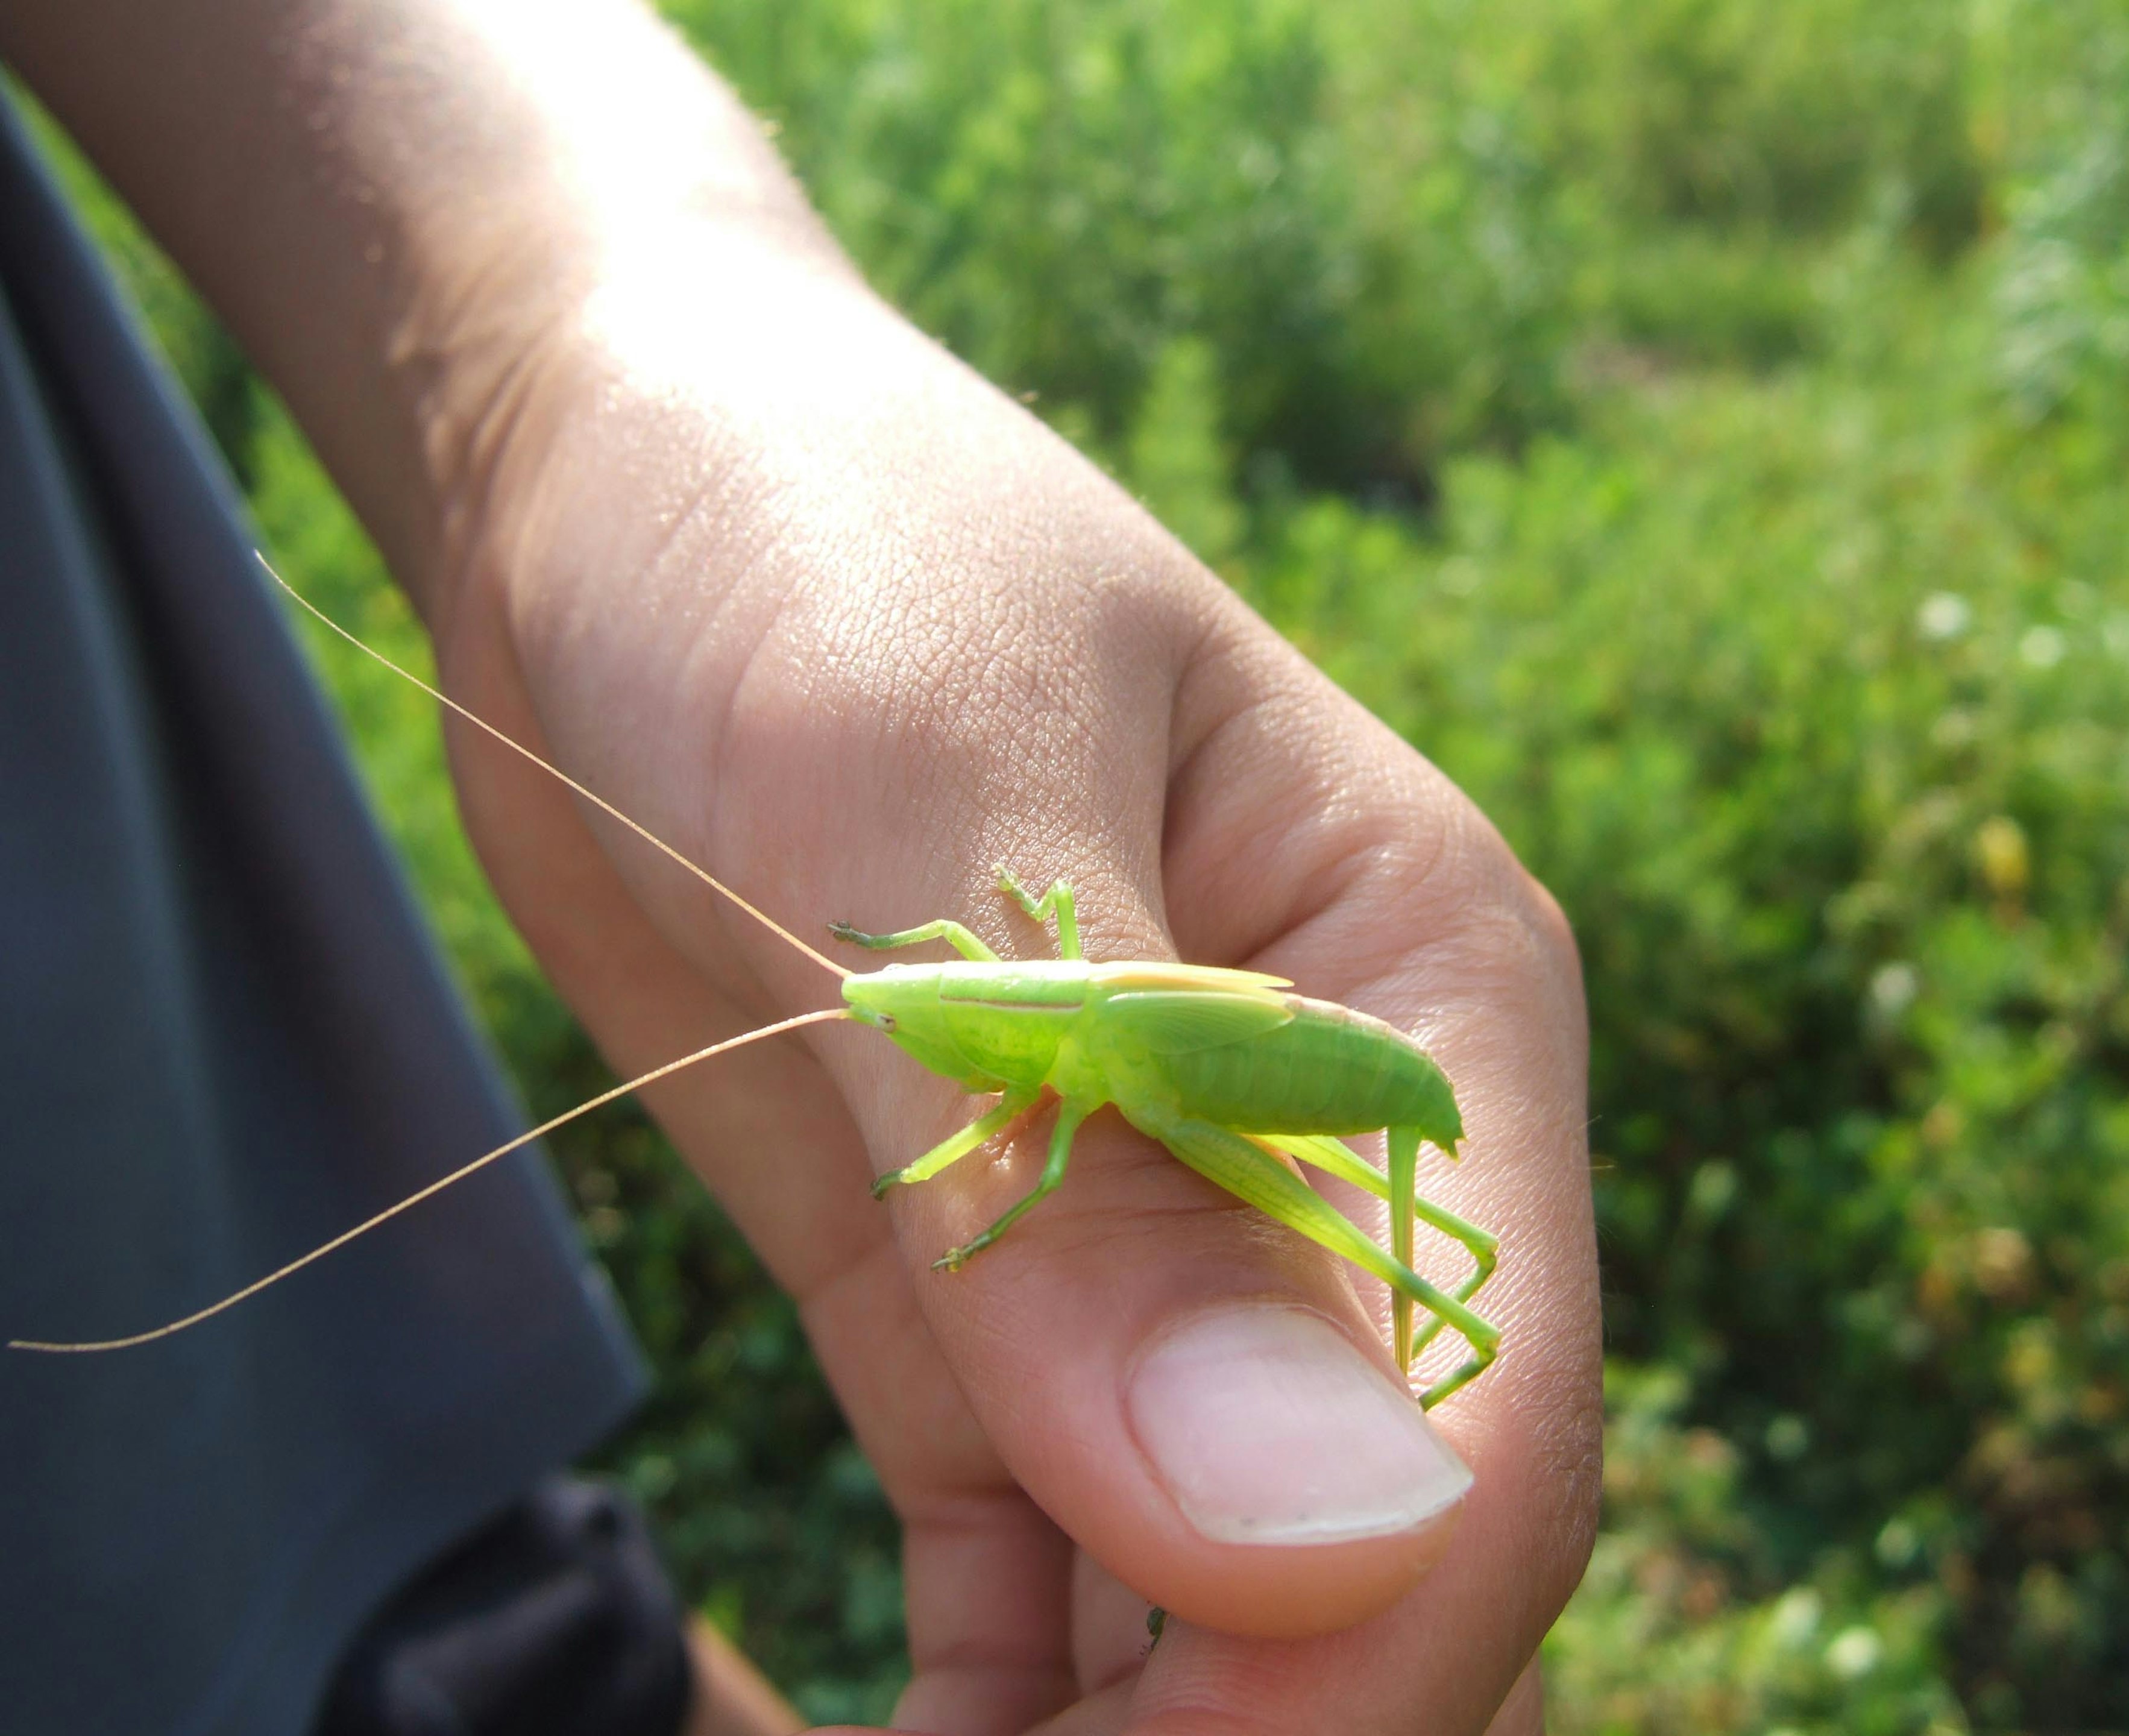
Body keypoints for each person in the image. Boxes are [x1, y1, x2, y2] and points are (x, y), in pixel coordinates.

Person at [0, 3, 1600, 1732]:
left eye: (929, 1002)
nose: (920, 1022)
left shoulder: (1031, 1074)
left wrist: (564, 348)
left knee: (1330, 1222)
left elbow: (1030, 1125)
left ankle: (1435, 1336)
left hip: (1262, 1064)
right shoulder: (1012, 1034)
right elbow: (1015, 1027)